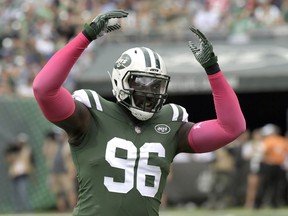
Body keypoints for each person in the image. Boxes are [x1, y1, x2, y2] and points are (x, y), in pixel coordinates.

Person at [32, 10, 246, 216]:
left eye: (155, 85)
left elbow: (231, 127)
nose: (148, 92)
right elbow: (44, 90)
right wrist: (85, 37)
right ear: (119, 80)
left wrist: (213, 70)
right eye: (140, 83)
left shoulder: (171, 124)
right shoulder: (91, 115)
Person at [42, 129, 77, 212]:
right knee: (58, 193)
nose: (59, 137)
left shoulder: (68, 144)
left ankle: (74, 210)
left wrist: (71, 171)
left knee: (70, 191)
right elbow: (45, 152)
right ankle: (61, 211)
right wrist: (47, 140)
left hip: (65, 172)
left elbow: (71, 160)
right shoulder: (54, 145)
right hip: (54, 173)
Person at [4, 133, 35, 213]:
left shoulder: (28, 150)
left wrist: (33, 174)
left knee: (23, 192)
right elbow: (8, 160)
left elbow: (31, 162)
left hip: (23, 174)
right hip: (14, 174)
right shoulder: (13, 150)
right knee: (15, 194)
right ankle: (16, 211)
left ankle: (27, 210)